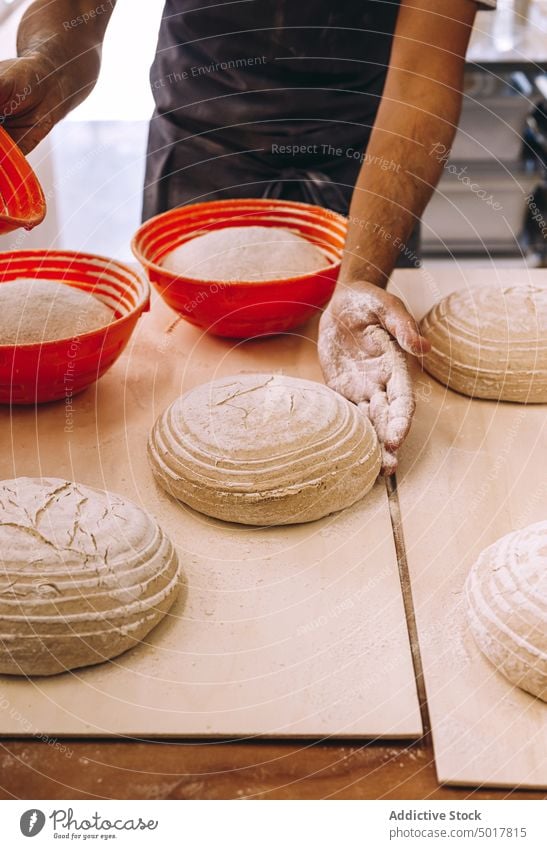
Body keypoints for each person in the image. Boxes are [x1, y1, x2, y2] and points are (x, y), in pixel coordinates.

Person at [0, 0, 494, 471]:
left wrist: (360, 279)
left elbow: (422, 76)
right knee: (189, 387)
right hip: (202, 146)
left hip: (367, 159)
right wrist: (45, 63)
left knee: (343, 366)